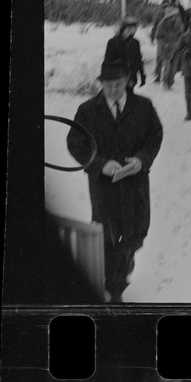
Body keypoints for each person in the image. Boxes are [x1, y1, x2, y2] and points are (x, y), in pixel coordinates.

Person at [66, 60, 164, 303]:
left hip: (136, 185)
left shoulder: (143, 106)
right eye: (107, 85)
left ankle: (126, 259)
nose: (112, 90)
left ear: (128, 81)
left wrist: (142, 160)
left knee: (136, 234)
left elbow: (155, 136)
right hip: (104, 188)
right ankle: (115, 290)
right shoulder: (88, 110)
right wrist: (100, 164)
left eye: (117, 84)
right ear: (101, 84)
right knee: (108, 239)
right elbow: (75, 143)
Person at [104, 15, 146, 91]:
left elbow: (138, 60)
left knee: (128, 99)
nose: (136, 30)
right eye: (135, 27)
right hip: (116, 78)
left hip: (131, 78)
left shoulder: (135, 42)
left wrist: (142, 76)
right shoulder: (113, 42)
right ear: (127, 27)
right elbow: (107, 61)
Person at [151, 2, 185, 87]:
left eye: (175, 15)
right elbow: (158, 34)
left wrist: (179, 42)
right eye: (173, 16)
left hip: (176, 46)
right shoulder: (163, 22)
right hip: (166, 46)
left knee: (173, 66)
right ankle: (164, 80)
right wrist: (163, 43)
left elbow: (181, 33)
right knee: (167, 64)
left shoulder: (178, 22)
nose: (174, 17)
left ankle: (169, 82)